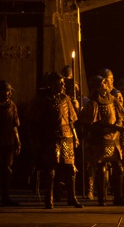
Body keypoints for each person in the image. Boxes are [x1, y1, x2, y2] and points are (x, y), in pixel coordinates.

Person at [28, 72, 82, 209]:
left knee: (70, 168)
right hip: (50, 137)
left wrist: (75, 136)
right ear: (52, 84)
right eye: (60, 83)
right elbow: (35, 121)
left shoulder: (66, 98)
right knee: (50, 170)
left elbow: (71, 120)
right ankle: (49, 199)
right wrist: (36, 139)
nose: (63, 85)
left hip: (67, 136)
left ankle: (72, 197)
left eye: (63, 83)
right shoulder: (42, 99)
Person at [80, 74, 124, 206]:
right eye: (102, 83)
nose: (106, 85)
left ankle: (118, 197)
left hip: (114, 137)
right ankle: (102, 198)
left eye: (105, 83)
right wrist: (102, 128)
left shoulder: (113, 99)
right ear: (96, 87)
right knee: (101, 168)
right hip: (101, 139)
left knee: (119, 168)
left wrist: (118, 125)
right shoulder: (93, 102)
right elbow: (90, 122)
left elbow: (121, 115)